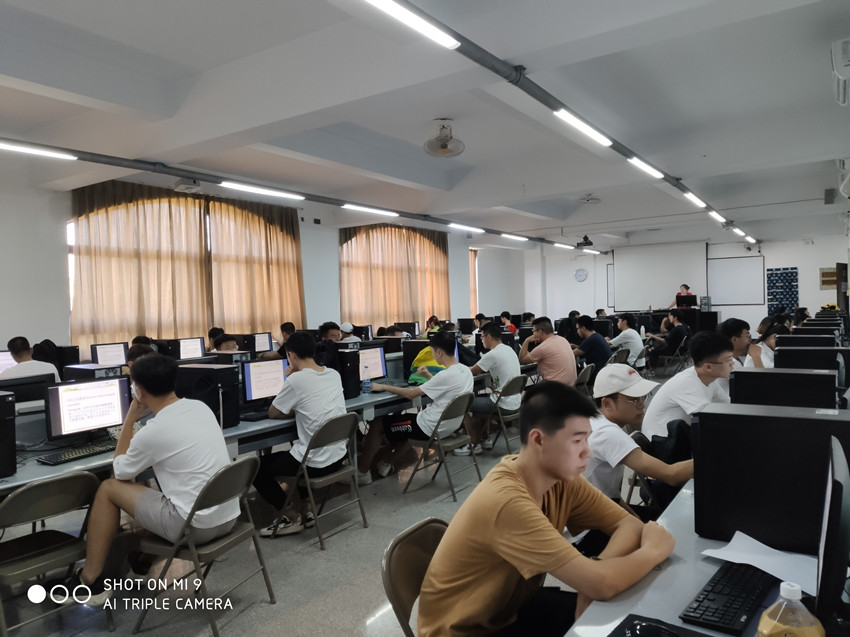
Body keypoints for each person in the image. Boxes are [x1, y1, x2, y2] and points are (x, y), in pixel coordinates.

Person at [417, 381, 675, 636]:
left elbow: (628, 524)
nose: (586, 453)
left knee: (624, 619)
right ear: (539, 440)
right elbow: (602, 583)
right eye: (577, 441)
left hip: (511, 608)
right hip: (468, 630)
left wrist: (596, 572)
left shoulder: (561, 478)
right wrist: (652, 551)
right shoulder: (507, 502)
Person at [61, 354, 240, 605]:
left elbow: (121, 471)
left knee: (108, 488)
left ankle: (88, 579)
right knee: (155, 498)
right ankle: (141, 560)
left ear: (139, 390)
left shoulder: (155, 430)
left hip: (195, 528)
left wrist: (130, 418)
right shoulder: (201, 407)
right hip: (228, 516)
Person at [255, 331, 347, 537]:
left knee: (257, 467)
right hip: (338, 457)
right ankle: (306, 509)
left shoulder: (296, 380)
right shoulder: (333, 374)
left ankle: (289, 517)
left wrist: (291, 380)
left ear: (291, 355)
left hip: (315, 464)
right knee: (299, 450)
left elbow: (273, 413)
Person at [357, 331, 473, 481]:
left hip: (429, 427)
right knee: (403, 421)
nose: (433, 356)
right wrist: (427, 376)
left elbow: (411, 394)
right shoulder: (465, 370)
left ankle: (362, 472)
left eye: (432, 352)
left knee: (378, 424)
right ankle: (386, 463)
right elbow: (443, 388)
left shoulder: (446, 375)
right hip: (450, 425)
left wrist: (383, 387)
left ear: (439, 352)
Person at [585, 364, 694, 517]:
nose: (642, 405)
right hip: (589, 522)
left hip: (601, 507)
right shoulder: (607, 433)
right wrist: (715, 459)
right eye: (634, 399)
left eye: (643, 397)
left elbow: (611, 495)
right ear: (607, 403)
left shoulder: (594, 420)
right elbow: (671, 475)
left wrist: (635, 520)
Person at [642, 331, 733, 440]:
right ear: (708, 367)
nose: (732, 364)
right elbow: (708, 420)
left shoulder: (709, 379)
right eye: (728, 360)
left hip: (679, 438)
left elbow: (727, 405)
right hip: (661, 443)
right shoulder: (686, 383)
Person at [456, 321, 522, 455]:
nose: (481, 340)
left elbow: (473, 371)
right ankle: (485, 438)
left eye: (482, 337)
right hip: (515, 402)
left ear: (489, 336)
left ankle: (473, 444)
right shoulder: (509, 349)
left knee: (462, 403)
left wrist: (456, 368)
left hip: (502, 404)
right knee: (481, 399)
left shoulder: (492, 355)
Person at [520, 317, 577, 386]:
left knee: (530, 390)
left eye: (534, 331)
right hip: (571, 387)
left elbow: (522, 360)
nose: (533, 334)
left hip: (555, 388)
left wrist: (527, 340)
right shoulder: (563, 340)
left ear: (540, 332)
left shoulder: (543, 347)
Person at [715, 318, 751, 393]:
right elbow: (749, 389)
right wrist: (756, 356)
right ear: (734, 339)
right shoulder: (731, 363)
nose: (750, 341)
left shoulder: (722, 357)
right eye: (747, 336)